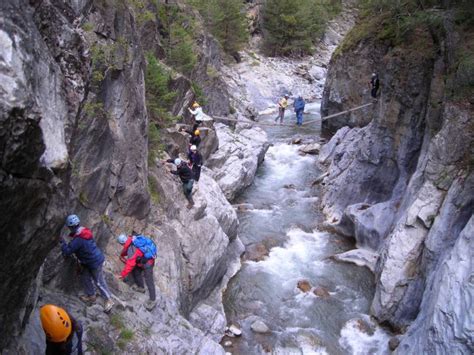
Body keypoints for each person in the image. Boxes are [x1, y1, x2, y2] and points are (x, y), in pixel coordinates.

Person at [61, 214, 114, 312]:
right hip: (90, 260)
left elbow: (68, 251)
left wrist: (62, 243)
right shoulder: (83, 231)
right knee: (85, 277)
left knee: (98, 281)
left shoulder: (79, 239)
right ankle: (91, 296)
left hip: (93, 262)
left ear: (70, 227)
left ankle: (109, 299)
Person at [117, 234, 157, 311]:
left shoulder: (131, 249)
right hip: (144, 260)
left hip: (148, 263)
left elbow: (130, 264)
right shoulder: (132, 239)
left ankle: (153, 300)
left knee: (149, 280)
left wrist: (122, 275)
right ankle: (141, 287)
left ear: (122, 243)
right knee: (136, 271)